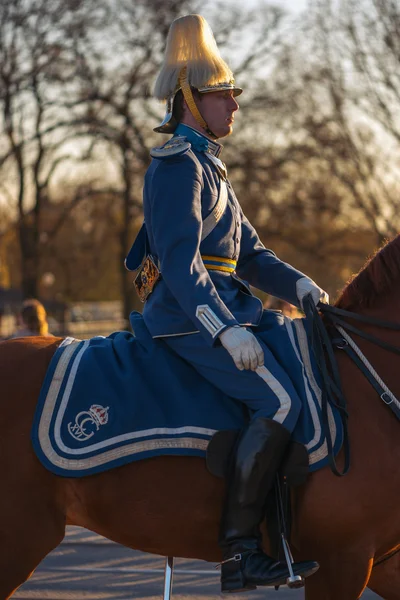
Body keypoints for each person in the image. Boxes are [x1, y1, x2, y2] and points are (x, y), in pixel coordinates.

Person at [126, 14, 329, 592]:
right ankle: (240, 553)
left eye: (233, 94)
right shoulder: (175, 168)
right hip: (188, 318)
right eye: (224, 95)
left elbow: (254, 256)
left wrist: (302, 287)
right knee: (280, 404)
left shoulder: (212, 168)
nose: (234, 106)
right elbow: (183, 267)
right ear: (192, 98)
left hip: (232, 307)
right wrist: (223, 332)